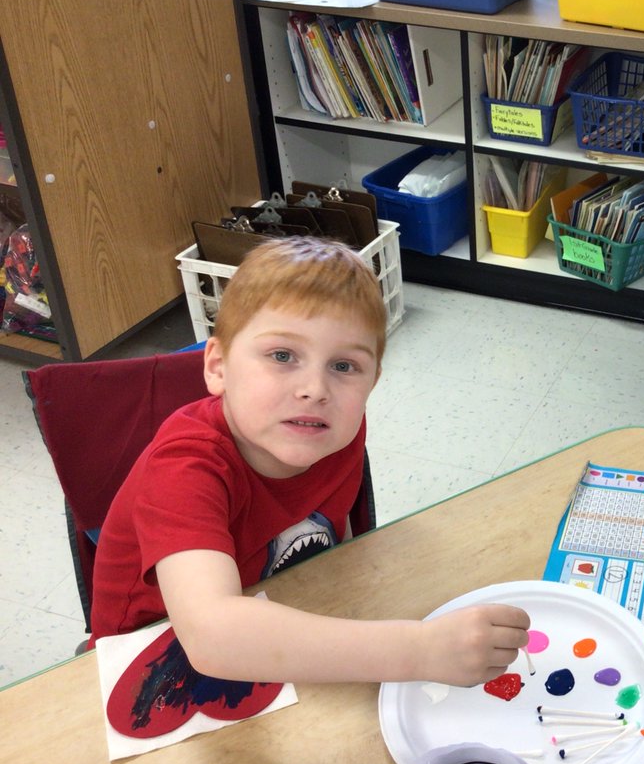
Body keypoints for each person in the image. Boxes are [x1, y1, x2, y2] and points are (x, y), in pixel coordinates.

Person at [90, 237, 529, 686]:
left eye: (344, 367)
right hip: (151, 656)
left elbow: (331, 536)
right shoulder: (183, 469)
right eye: (283, 356)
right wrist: (419, 650)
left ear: (372, 380)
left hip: (277, 614)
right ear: (218, 367)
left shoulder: (332, 431)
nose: (315, 389)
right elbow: (211, 636)